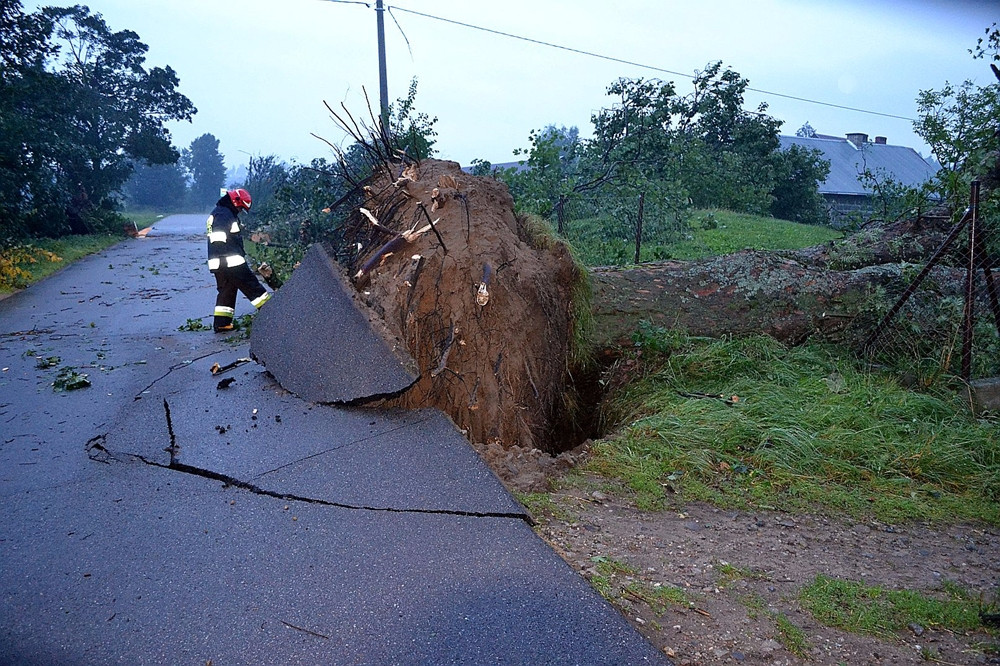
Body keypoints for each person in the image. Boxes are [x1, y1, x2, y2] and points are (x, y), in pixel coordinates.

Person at [206, 188, 271, 332]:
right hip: (230, 260)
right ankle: (273, 314)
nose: (241, 211)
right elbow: (219, 238)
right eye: (241, 207)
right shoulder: (223, 214)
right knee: (252, 286)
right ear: (235, 202)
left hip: (219, 262)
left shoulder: (221, 212)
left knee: (226, 290)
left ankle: (222, 323)